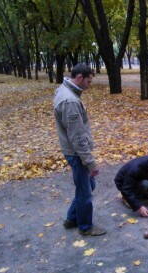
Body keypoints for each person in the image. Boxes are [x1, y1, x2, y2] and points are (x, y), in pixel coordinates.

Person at [53, 63, 106, 236]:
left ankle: (71, 218)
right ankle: (85, 227)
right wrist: (90, 163)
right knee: (85, 191)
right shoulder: (71, 101)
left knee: (88, 185)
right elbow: (77, 137)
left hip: (72, 151)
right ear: (80, 77)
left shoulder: (65, 90)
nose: (89, 85)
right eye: (89, 81)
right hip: (76, 153)